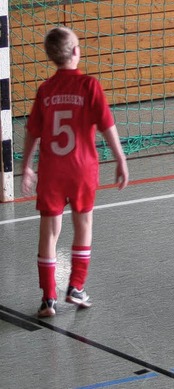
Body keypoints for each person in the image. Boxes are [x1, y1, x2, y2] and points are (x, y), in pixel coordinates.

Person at [21, 26, 130, 318]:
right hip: (81, 169)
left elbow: (33, 132)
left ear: (51, 57)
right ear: (76, 52)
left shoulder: (45, 90)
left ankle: (48, 299)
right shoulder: (89, 86)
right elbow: (107, 125)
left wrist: (27, 166)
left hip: (52, 170)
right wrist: (120, 158)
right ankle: (76, 288)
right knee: (83, 225)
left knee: (49, 232)